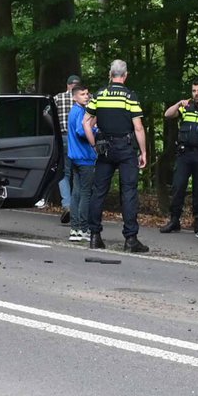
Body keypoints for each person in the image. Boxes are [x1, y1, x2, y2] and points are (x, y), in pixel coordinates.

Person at [85, 59, 148, 253]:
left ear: (110, 74)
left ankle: (95, 236)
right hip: (126, 148)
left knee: (98, 191)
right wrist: (143, 151)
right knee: (128, 192)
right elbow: (138, 127)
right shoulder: (130, 96)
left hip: (104, 148)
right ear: (125, 75)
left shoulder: (99, 95)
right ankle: (130, 239)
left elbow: (86, 123)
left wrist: (94, 144)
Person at [159, 78, 198, 234]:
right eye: (194, 90)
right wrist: (178, 104)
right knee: (178, 186)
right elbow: (168, 115)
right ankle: (174, 220)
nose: (196, 94)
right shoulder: (186, 107)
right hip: (184, 154)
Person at [65, 85, 97, 242]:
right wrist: (95, 130)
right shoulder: (81, 112)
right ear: (74, 97)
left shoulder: (73, 112)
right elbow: (81, 131)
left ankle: (75, 228)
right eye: (82, 94)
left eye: (87, 94)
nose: (86, 96)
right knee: (85, 193)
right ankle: (83, 228)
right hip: (85, 158)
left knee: (76, 192)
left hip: (74, 157)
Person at [53, 73, 82, 222]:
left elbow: (46, 113)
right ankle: (80, 208)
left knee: (64, 173)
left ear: (67, 85)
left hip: (63, 138)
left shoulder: (58, 98)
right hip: (80, 139)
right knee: (80, 172)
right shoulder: (84, 98)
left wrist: (54, 128)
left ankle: (67, 205)